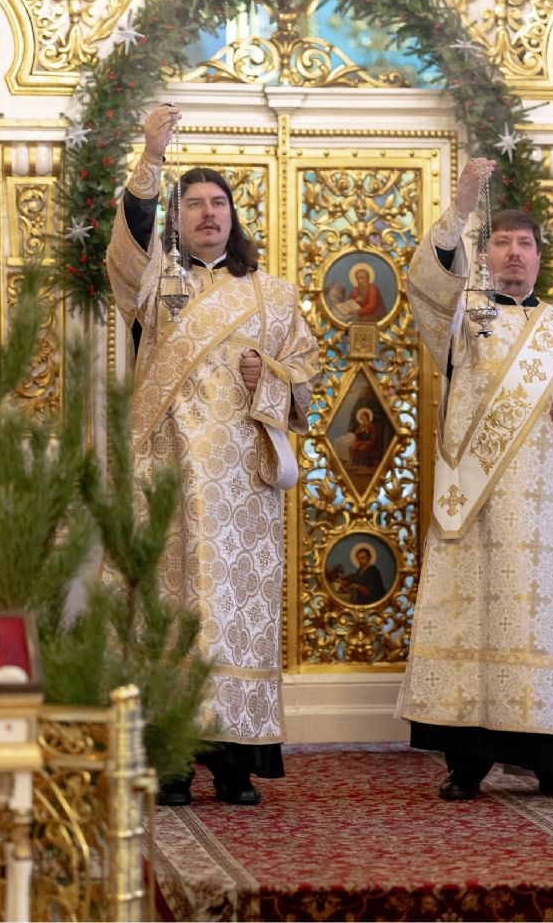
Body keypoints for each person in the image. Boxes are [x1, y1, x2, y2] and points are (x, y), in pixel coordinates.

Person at [395, 157, 553, 801]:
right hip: (481, 512)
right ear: (486, 254)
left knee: (552, 631)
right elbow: (425, 283)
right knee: (475, 625)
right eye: (501, 243)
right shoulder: (461, 320)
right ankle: (466, 763)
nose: (513, 254)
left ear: (539, 256)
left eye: (524, 243)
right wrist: (461, 208)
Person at [108, 103, 321, 807]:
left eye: (218, 203)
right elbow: (127, 247)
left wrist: (273, 378)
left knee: (234, 618)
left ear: (234, 217)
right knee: (170, 614)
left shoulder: (273, 295)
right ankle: (170, 759)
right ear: (176, 219)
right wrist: (151, 158)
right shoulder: (154, 286)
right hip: (166, 475)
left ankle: (235, 764)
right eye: (194, 204)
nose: (208, 213)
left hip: (241, 487)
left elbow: (307, 377)